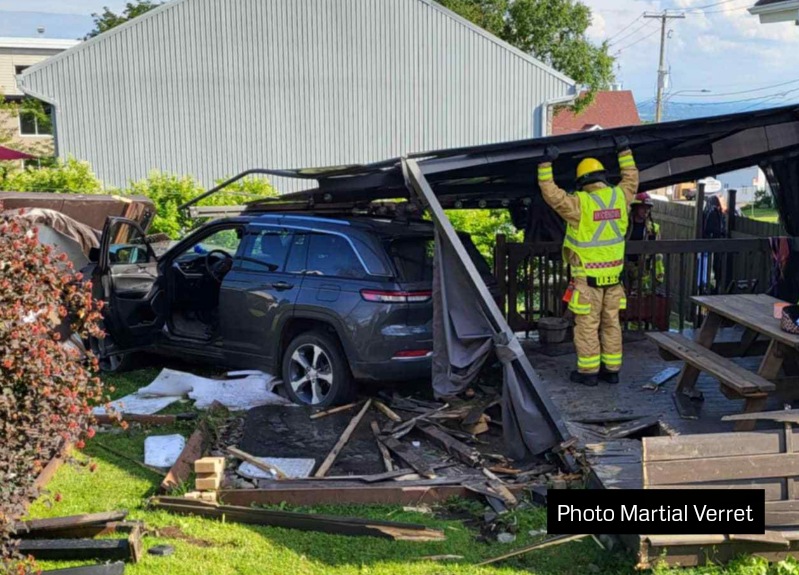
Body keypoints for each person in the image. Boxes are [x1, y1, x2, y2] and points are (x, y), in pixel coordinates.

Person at [537, 138, 639, 386]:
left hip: (587, 284)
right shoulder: (620, 198)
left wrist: (545, 163)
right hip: (614, 283)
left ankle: (588, 373)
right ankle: (612, 371)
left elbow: (551, 194)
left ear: (582, 182)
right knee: (611, 325)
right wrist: (624, 149)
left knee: (587, 328)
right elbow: (631, 177)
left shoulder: (579, 204)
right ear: (603, 177)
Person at [625, 192, 665, 294]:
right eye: (643, 207)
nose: (646, 210)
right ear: (636, 208)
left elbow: (657, 255)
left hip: (643, 272)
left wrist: (658, 277)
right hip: (625, 268)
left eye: (648, 208)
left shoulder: (653, 229)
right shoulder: (625, 226)